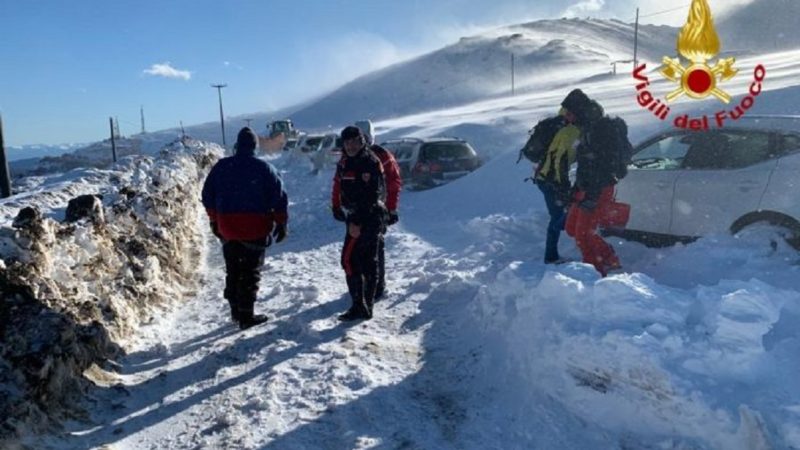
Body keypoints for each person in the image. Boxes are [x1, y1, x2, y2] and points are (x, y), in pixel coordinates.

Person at [201, 127, 289, 330]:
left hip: (228, 228)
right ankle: (246, 315)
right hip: (255, 228)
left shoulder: (221, 167)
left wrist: (214, 220)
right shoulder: (264, 168)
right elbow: (279, 197)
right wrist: (281, 222)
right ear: (255, 147)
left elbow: (207, 196)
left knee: (233, 269)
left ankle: (235, 310)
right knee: (250, 272)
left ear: (237, 145)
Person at [562, 89, 622, 277]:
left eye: (569, 113)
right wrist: (576, 189)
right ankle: (608, 257)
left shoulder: (599, 129)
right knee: (571, 229)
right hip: (586, 187)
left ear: (579, 111)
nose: (567, 118)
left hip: (599, 188)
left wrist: (592, 195)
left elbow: (601, 165)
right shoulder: (586, 128)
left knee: (583, 235)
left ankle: (593, 274)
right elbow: (586, 164)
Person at [331, 126, 387, 321]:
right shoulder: (347, 162)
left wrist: (356, 221)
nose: (351, 146)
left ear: (362, 141)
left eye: (355, 141)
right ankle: (362, 307)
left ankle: (361, 306)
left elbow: (372, 195)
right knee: (362, 262)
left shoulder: (368, 162)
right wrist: (337, 206)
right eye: (347, 143)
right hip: (359, 217)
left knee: (351, 261)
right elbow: (339, 185)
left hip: (367, 218)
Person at [354, 119, 402, 299]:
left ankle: (376, 286)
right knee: (358, 249)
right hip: (357, 212)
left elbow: (393, 183)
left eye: (363, 137)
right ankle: (364, 282)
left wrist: (390, 209)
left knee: (374, 249)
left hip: (376, 211)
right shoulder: (351, 156)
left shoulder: (382, 155)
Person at [532, 109, 581, 264]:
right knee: (559, 216)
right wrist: (562, 184)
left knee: (559, 214)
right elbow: (559, 159)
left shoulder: (557, 126)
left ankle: (552, 254)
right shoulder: (569, 131)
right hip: (551, 180)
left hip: (543, 178)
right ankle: (551, 256)